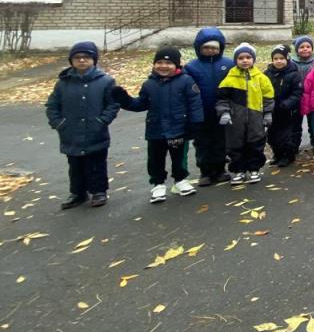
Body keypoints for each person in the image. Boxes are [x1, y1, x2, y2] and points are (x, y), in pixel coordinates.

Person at [112, 46, 203, 203]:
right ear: (154, 65)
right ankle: (158, 184)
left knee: (179, 156)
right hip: (156, 129)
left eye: (168, 63)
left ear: (176, 65)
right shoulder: (149, 84)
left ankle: (180, 180)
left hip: (178, 128)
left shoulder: (186, 81)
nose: (163, 66)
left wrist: (195, 123)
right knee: (155, 158)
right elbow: (140, 104)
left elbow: (194, 103)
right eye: (159, 62)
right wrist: (124, 100)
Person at [45, 41, 120, 209]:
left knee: (96, 163)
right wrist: (58, 123)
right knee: (75, 165)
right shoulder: (63, 83)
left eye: (86, 57)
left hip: (96, 130)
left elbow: (113, 104)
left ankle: (99, 191)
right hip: (70, 131)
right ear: (71, 60)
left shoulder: (105, 81)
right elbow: (52, 105)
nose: (81, 61)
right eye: (77, 58)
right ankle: (78, 193)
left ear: (93, 60)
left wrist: (103, 120)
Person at [216, 43, 275, 185]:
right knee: (235, 145)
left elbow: (268, 97)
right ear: (236, 60)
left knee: (255, 144)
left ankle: (254, 169)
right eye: (241, 58)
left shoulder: (261, 78)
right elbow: (222, 99)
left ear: (253, 59)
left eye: (248, 57)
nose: (245, 60)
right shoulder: (229, 79)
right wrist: (224, 113)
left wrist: (267, 114)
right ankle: (238, 171)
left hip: (256, 118)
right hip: (235, 120)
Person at [184, 27, 233, 186]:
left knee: (221, 141)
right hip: (201, 112)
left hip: (222, 111)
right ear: (199, 48)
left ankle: (220, 170)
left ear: (220, 48)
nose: (210, 50)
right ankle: (205, 171)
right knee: (202, 143)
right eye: (206, 47)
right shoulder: (192, 67)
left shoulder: (228, 64)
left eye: (214, 47)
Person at [265, 45, 304, 168]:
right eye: (275, 58)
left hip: (287, 111)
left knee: (285, 136)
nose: (278, 61)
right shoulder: (267, 74)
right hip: (272, 110)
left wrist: (287, 104)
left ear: (287, 58)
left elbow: (297, 93)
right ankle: (277, 154)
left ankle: (287, 155)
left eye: (281, 58)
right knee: (272, 135)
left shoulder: (294, 74)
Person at [291, 35, 314, 154]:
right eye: (302, 47)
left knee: (313, 122)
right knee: (295, 123)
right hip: (297, 97)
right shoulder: (292, 63)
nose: (305, 49)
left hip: (312, 97)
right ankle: (294, 145)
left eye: (308, 46)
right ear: (297, 50)